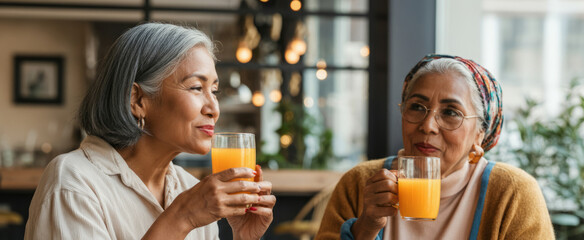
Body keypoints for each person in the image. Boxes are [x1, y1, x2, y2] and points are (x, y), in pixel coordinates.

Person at [25, 23, 276, 240]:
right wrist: (182, 216)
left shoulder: (191, 189)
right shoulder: (73, 183)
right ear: (138, 100)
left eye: (215, 90)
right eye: (197, 87)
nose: (214, 108)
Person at [315, 54, 555, 240]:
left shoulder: (513, 194)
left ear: (479, 134)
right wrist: (365, 227)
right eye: (417, 107)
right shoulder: (360, 183)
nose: (428, 125)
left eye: (451, 112)